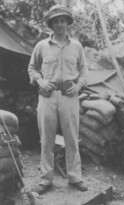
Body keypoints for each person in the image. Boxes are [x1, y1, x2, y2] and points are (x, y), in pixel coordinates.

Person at [28, 4, 88, 194]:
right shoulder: (41, 46)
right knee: (47, 140)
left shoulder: (77, 46)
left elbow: (84, 71)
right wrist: (40, 81)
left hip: (70, 97)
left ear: (67, 23)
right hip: (47, 97)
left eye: (63, 20)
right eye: (56, 21)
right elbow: (32, 68)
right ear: (51, 24)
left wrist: (77, 87)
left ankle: (75, 177)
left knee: (72, 138)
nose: (60, 24)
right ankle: (46, 180)